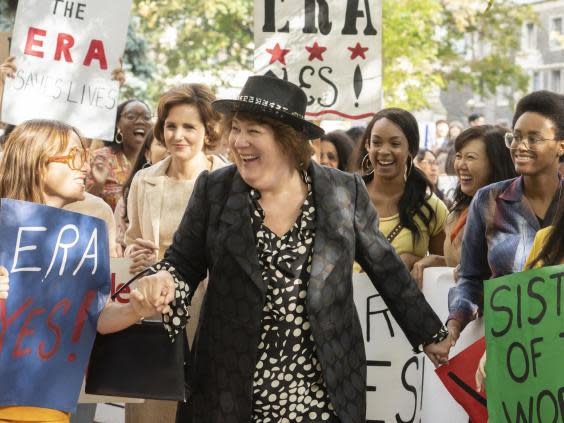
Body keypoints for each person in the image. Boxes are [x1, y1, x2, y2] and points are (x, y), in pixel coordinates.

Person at [132, 76, 451, 423]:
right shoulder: (215, 191)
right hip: (229, 390)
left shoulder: (342, 192)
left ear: (287, 140)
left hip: (322, 393)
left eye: (253, 131)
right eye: (236, 129)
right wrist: (163, 280)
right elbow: (182, 264)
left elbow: (385, 268)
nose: (238, 142)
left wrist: (431, 334)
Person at [0, 120, 167, 423]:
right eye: (74, 157)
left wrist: (136, 308)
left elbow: (96, 316)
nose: (85, 167)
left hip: (48, 406)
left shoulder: (82, 238)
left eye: (85, 157)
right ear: (39, 164)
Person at [123, 83, 226, 423]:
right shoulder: (144, 180)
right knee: (151, 410)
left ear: (208, 131)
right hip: (152, 311)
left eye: (189, 127)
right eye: (171, 125)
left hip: (210, 309)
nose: (177, 135)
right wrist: (134, 255)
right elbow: (132, 239)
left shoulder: (230, 181)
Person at [447, 90, 564, 349]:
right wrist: (454, 324)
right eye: (517, 137)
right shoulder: (488, 201)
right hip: (513, 356)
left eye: (534, 139)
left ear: (560, 146)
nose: (521, 146)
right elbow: (471, 278)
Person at [411, 126, 517, 285]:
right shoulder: (459, 211)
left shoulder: (510, 214)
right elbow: (460, 265)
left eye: (470, 157)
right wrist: (436, 261)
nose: (460, 164)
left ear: (495, 163)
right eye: (459, 156)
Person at [360, 108, 448, 274]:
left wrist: (420, 261)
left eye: (395, 144)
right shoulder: (345, 198)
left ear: (411, 148)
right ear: (367, 145)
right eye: (377, 143)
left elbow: (451, 270)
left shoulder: (430, 207)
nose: (384, 151)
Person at [86, 99, 153, 211]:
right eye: (131, 116)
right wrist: (98, 184)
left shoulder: (159, 161)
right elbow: (82, 205)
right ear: (118, 124)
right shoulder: (100, 158)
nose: (140, 121)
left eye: (146, 117)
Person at [113, 128, 168, 256]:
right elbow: (120, 247)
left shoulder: (201, 187)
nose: (169, 149)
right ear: (148, 154)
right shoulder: (129, 198)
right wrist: (133, 251)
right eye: (161, 143)